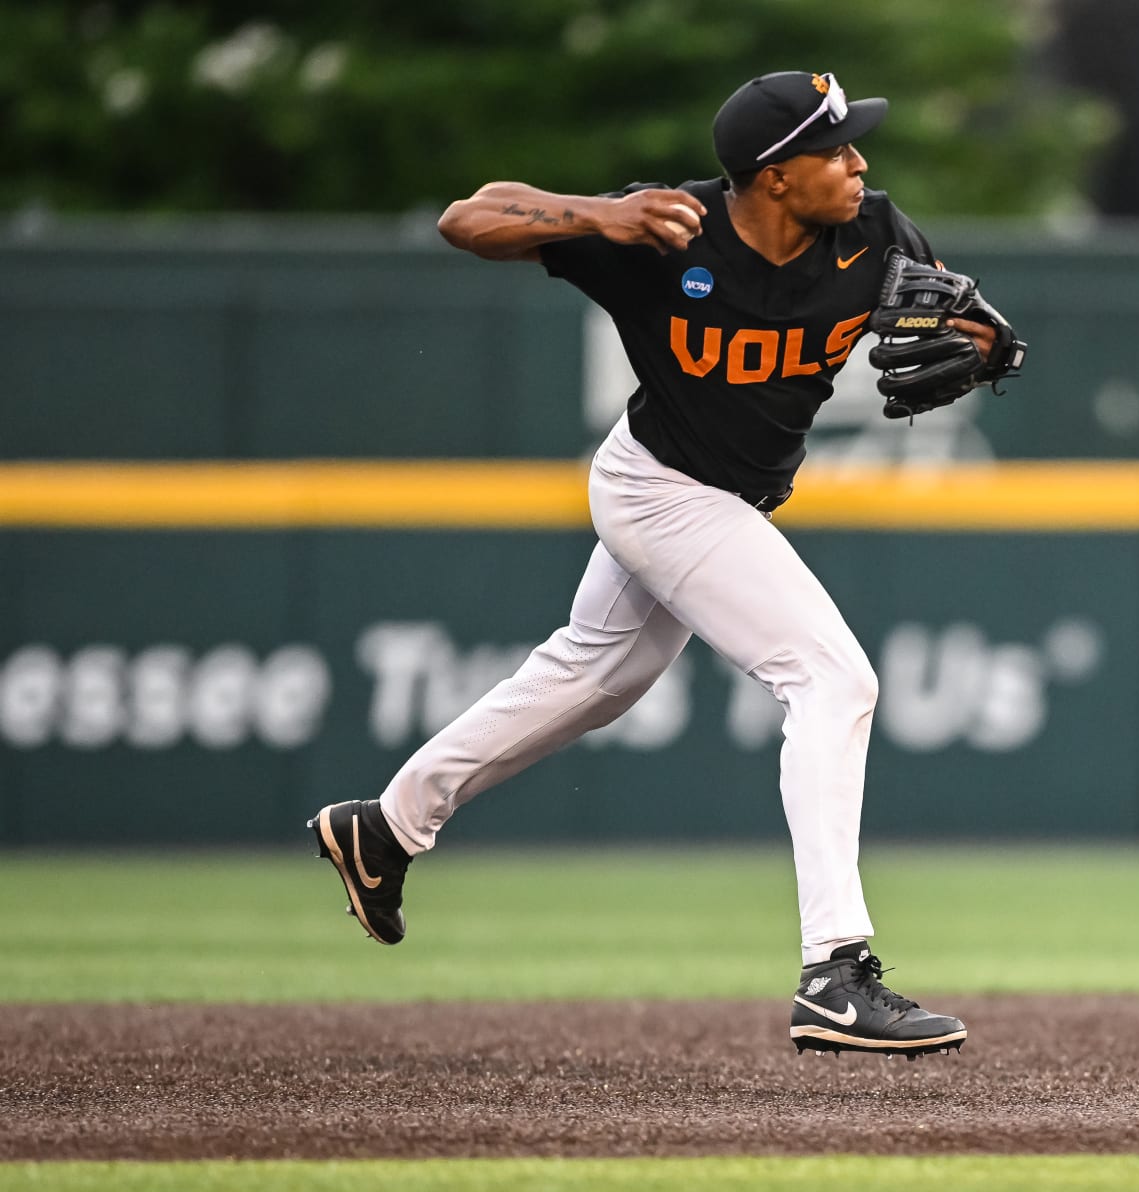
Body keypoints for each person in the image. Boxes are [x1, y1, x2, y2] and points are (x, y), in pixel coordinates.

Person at [309, 70, 1020, 1059]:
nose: (859, 162)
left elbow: (964, 325)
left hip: (723, 495)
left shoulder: (876, 230)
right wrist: (603, 212)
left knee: (596, 677)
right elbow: (467, 219)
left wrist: (990, 348)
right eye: (836, 148)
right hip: (658, 484)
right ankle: (836, 973)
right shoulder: (669, 232)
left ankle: (384, 827)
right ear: (774, 175)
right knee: (831, 678)